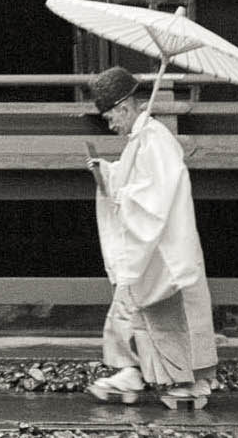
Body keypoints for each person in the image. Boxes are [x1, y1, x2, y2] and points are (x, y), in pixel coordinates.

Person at [86, 65, 218, 410]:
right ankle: (134, 372)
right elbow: (135, 182)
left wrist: (120, 195)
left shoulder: (154, 139)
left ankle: (167, 379)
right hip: (156, 245)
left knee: (150, 309)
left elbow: (153, 197)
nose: (110, 125)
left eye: (111, 117)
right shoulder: (142, 140)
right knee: (139, 310)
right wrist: (108, 173)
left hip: (164, 248)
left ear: (125, 108)